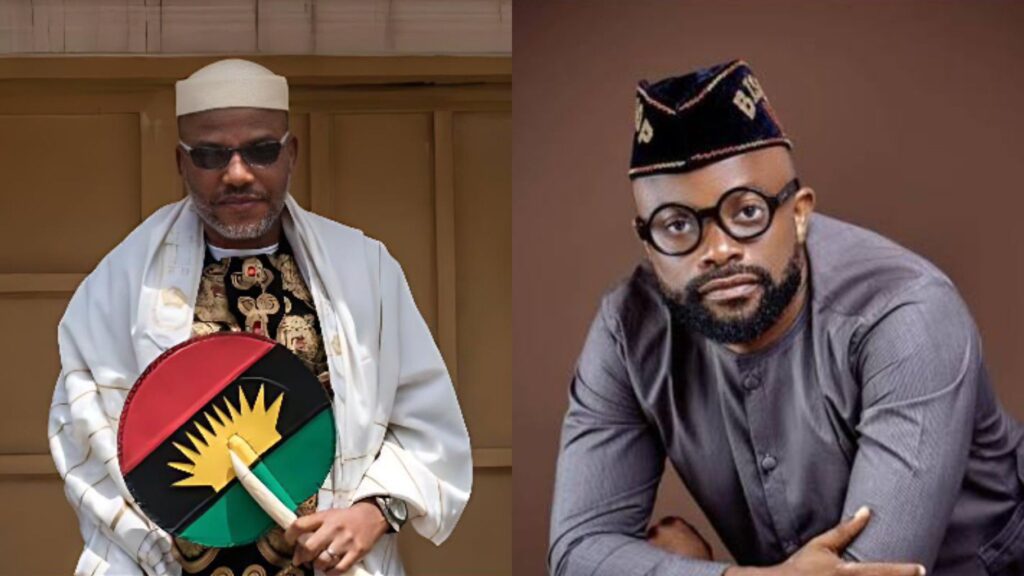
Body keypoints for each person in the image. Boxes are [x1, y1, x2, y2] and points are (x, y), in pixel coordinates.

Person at [548, 60, 1024, 576]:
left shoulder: (906, 314)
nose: (719, 250)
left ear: (798, 214)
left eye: (747, 212)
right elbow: (578, 551)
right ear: (648, 243)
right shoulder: (628, 331)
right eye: (678, 225)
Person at [48, 58, 472, 576]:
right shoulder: (121, 284)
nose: (238, 173)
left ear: (291, 153)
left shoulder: (364, 270)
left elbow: (425, 427)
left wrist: (372, 512)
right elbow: (83, 427)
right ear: (181, 163)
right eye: (210, 154)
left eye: (261, 150)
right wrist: (162, 532)